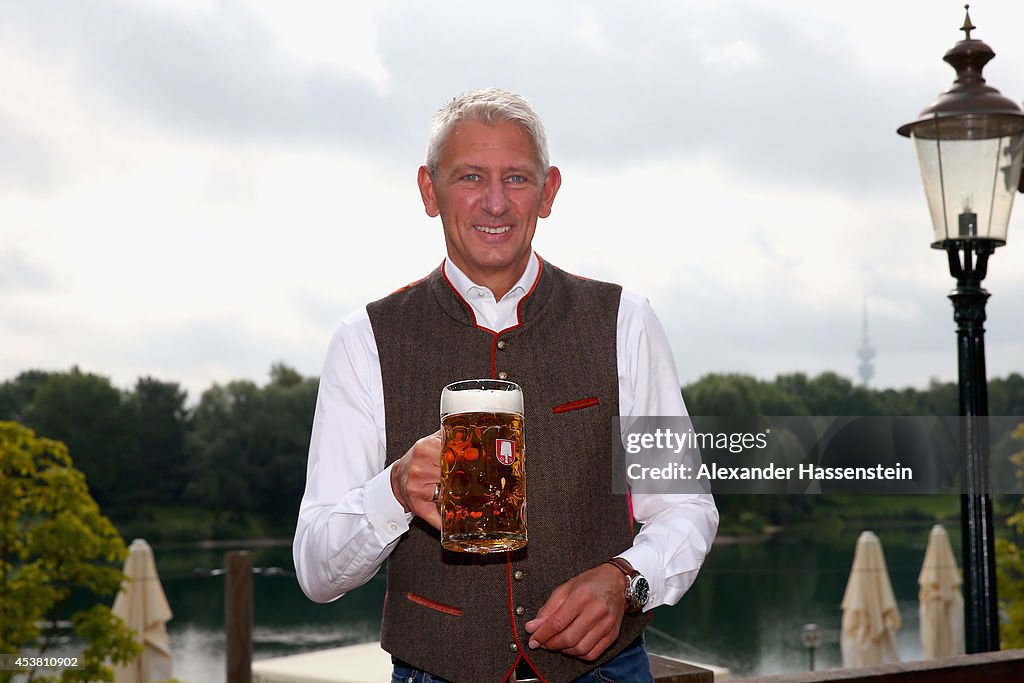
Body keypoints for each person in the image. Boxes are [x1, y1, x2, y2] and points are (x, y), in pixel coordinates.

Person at [293, 88, 718, 683]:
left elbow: (687, 507)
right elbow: (315, 569)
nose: (495, 203)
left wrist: (627, 580)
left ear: (549, 192)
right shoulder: (365, 340)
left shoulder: (626, 321)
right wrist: (391, 491)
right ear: (427, 189)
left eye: (517, 178)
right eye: (470, 176)